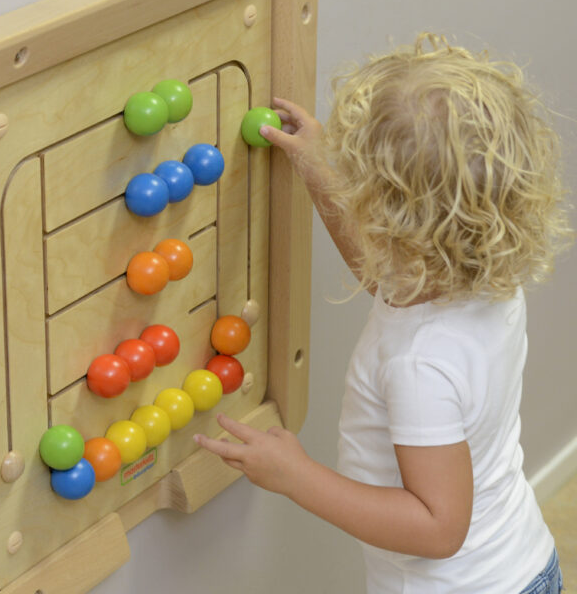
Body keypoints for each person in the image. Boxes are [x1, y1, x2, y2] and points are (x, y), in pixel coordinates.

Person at [193, 33, 572, 593]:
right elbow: (385, 275)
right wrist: (318, 171)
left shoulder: (419, 365)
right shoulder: (483, 276)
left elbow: (438, 528)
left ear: (392, 225)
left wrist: (297, 477)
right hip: (523, 563)